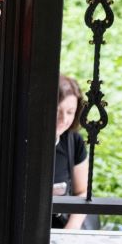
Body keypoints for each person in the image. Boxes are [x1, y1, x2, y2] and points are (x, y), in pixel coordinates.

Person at [52, 74, 90, 229]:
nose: (63, 119)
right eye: (57, 110)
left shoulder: (73, 141)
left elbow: (82, 192)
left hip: (61, 227)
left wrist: (70, 230)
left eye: (70, 112)